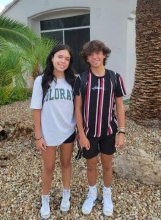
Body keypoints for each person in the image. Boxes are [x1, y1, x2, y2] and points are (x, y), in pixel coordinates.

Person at [74, 40, 126, 216]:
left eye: (98, 52)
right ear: (87, 58)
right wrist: (81, 134)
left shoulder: (115, 77)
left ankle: (107, 194)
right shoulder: (81, 79)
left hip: (109, 132)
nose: (95, 56)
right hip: (89, 133)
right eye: (91, 54)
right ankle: (92, 193)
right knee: (90, 165)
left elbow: (119, 106)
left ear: (104, 55)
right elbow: (78, 109)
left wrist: (122, 131)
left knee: (107, 165)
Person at [30, 44, 76, 219]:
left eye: (67, 59)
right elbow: (36, 109)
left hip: (68, 131)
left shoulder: (73, 80)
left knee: (66, 164)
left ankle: (66, 194)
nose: (63, 61)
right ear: (52, 58)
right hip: (48, 133)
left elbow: (77, 108)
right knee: (48, 167)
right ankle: (46, 199)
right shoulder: (41, 80)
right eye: (60, 57)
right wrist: (38, 136)